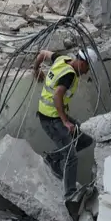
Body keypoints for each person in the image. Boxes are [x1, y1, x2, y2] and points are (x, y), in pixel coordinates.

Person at [32, 47, 96, 202]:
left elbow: (42, 53)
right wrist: (65, 121)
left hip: (53, 116)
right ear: (82, 63)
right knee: (71, 156)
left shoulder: (62, 59)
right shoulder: (69, 75)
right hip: (52, 119)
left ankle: (53, 159)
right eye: (88, 68)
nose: (87, 72)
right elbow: (57, 96)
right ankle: (70, 195)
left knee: (85, 139)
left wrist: (36, 69)